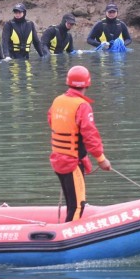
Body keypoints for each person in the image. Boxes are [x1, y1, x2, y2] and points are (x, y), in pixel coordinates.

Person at [48, 65, 112, 222]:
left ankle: (65, 231)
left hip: (58, 159)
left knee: (71, 203)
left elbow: (51, 121)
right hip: (72, 161)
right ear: (87, 84)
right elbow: (90, 135)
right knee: (77, 205)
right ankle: (68, 240)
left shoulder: (58, 100)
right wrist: (101, 159)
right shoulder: (82, 105)